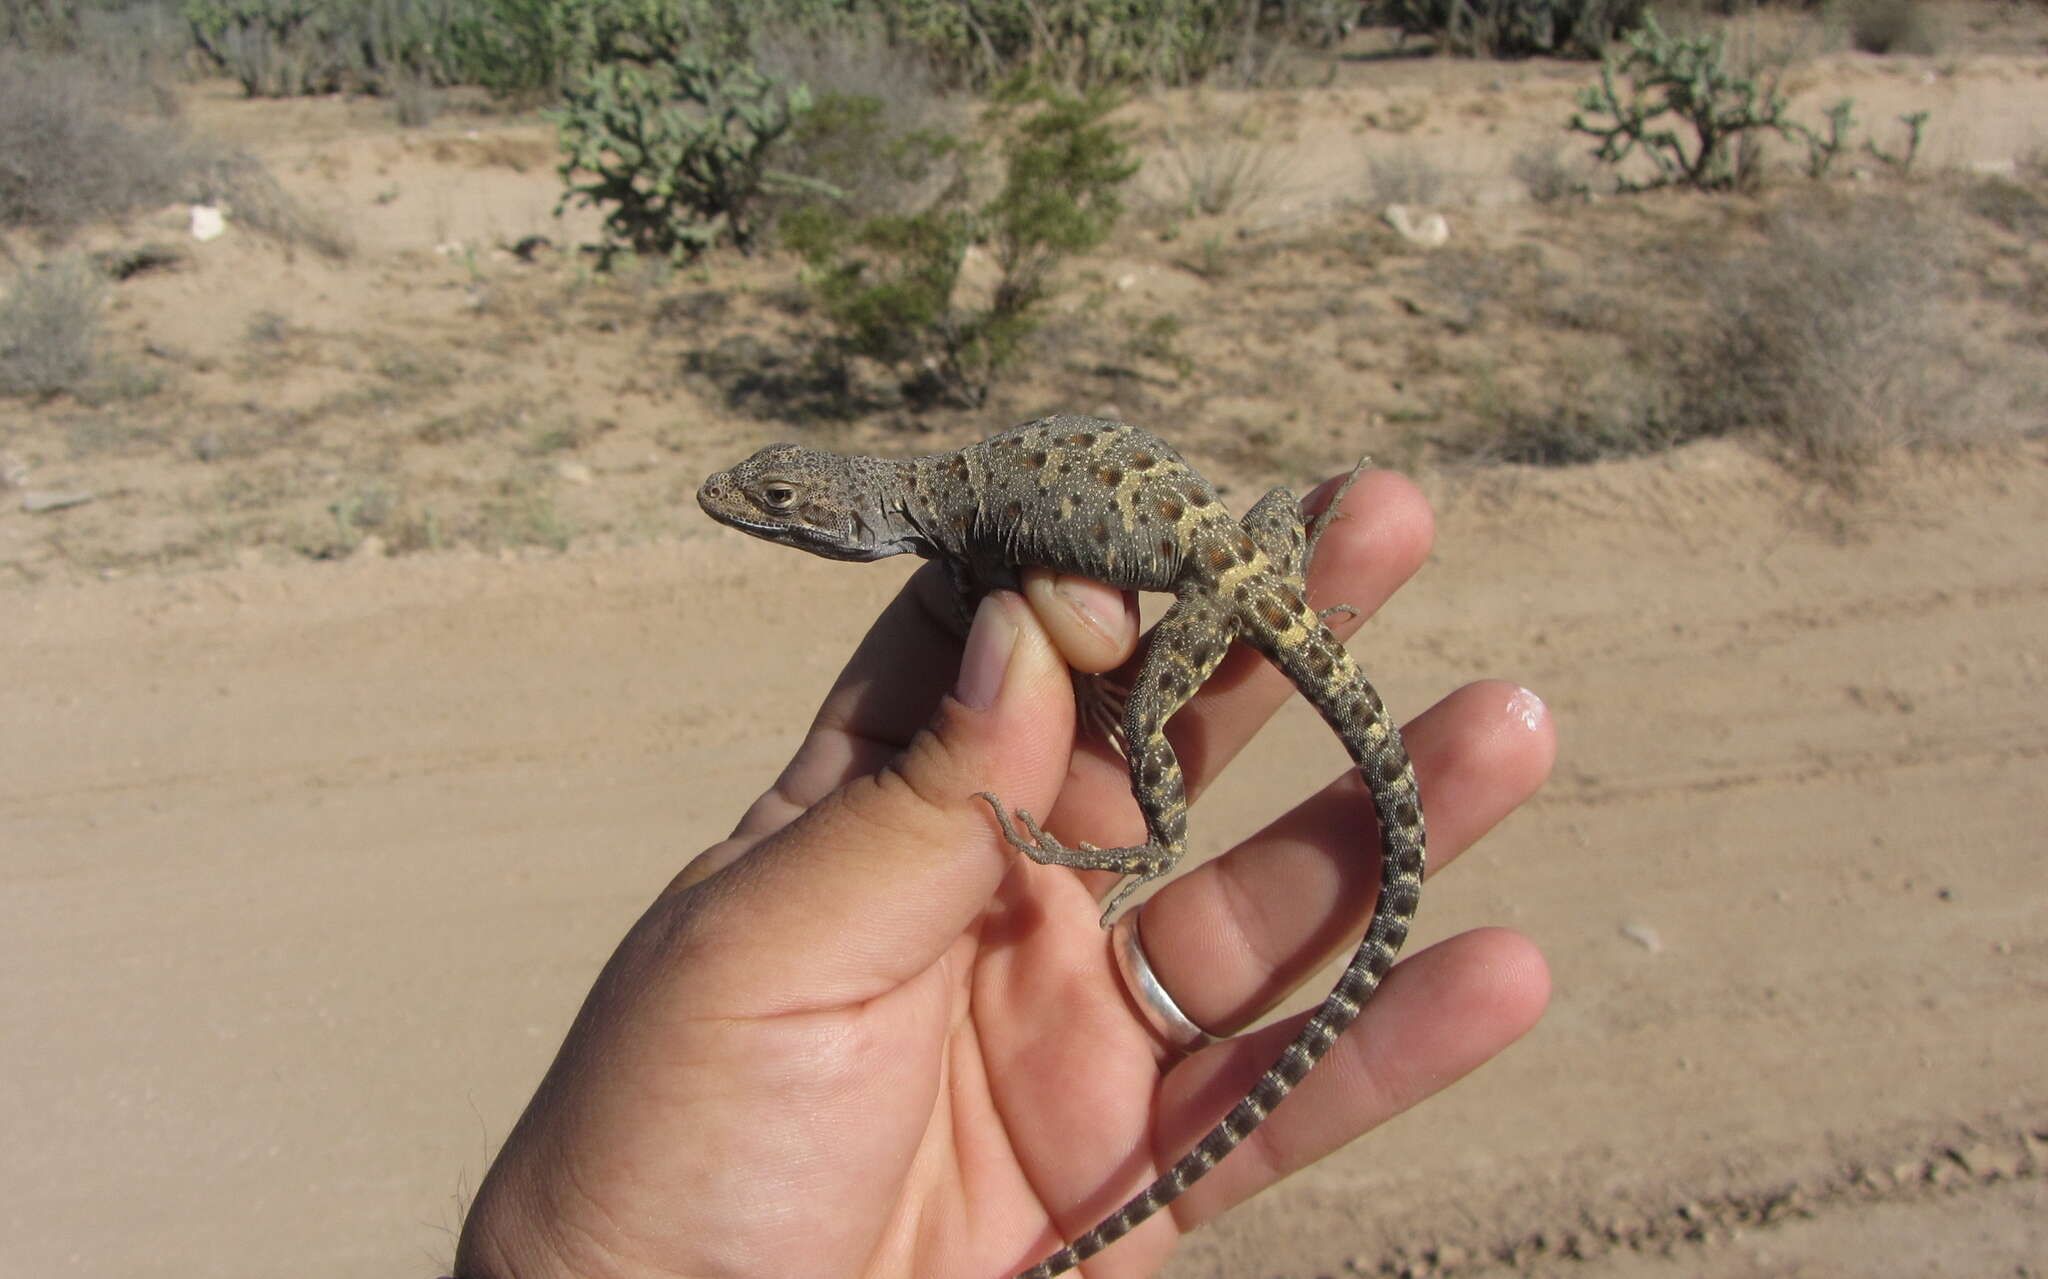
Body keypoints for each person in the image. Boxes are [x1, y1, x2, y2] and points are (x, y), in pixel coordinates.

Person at [452, 469, 1554, 1279]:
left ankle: (1145, 837)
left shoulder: (968, 552)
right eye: (773, 499)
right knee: (1136, 667)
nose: (756, 509)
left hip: (1225, 583)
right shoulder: (955, 520)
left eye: (784, 503)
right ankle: (1284, 591)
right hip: (1243, 543)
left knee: (1142, 717)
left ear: (848, 507)